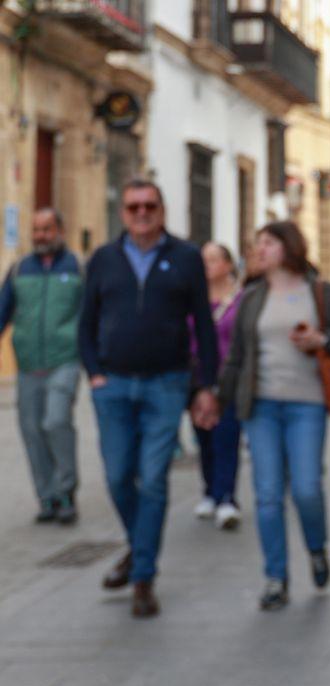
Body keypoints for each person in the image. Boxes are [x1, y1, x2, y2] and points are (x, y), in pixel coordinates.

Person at [79, 179, 220, 618]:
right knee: (119, 476)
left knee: (154, 478)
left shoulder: (186, 257)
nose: (142, 213)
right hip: (113, 386)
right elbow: (86, 323)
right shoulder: (104, 259)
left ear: (163, 209)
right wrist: (95, 374)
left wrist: (207, 386)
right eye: (133, 206)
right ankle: (138, 547)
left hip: (166, 384)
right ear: (123, 213)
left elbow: (204, 324)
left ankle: (143, 576)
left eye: (150, 205)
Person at [218, 221, 330, 611]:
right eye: (257, 243)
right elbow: (237, 357)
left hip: (306, 405)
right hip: (261, 407)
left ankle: (316, 548)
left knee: (307, 488)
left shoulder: (322, 293)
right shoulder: (251, 297)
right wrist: (217, 399)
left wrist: (321, 340)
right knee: (267, 495)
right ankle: (275, 577)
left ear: (289, 247)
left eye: (268, 243)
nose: (259, 249)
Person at [0, 208, 83, 524]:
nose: (41, 236)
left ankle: (66, 491)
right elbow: (3, 311)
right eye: (36, 230)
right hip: (28, 364)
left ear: (60, 230)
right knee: (32, 430)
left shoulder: (77, 267)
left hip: (65, 359)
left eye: (47, 229)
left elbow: (89, 314)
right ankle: (47, 497)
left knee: (56, 421)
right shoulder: (20, 269)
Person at [190, 242, 244, 529]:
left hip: (229, 379)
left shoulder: (240, 299)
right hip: (198, 379)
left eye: (213, 260)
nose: (206, 265)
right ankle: (210, 491)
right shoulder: (193, 298)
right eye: (203, 259)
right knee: (203, 437)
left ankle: (227, 497)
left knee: (226, 436)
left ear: (228, 264)